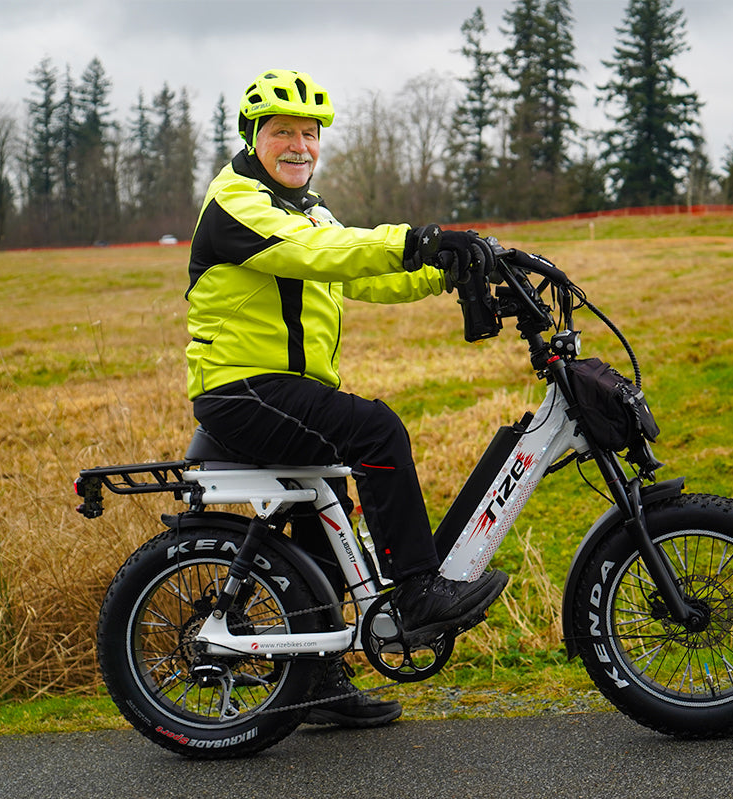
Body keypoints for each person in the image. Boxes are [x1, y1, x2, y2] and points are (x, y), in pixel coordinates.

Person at [184, 69, 508, 729]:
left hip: (285, 392)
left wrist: (444, 267)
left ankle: (316, 684)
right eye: (283, 133)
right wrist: (411, 239)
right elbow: (321, 253)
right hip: (243, 392)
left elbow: (366, 275)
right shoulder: (238, 202)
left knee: (320, 527)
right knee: (376, 431)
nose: (299, 145)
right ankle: (417, 594)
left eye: (309, 133)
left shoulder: (307, 207)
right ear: (256, 137)